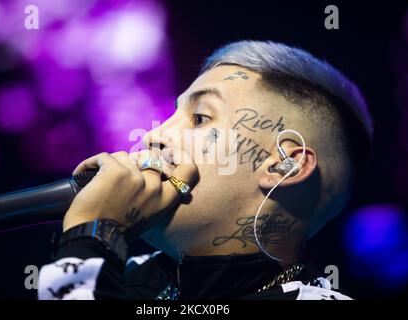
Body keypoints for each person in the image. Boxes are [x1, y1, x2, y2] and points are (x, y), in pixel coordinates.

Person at [38, 40, 373, 300]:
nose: (153, 136)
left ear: (285, 166)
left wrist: (91, 234)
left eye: (200, 118)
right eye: (172, 116)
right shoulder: (121, 275)